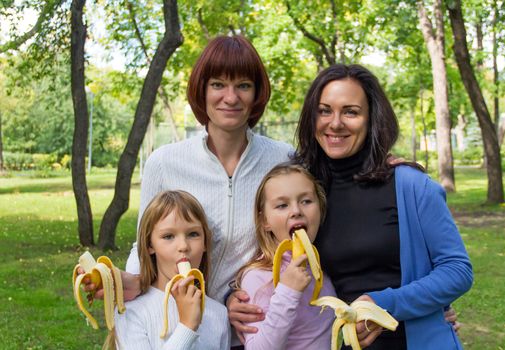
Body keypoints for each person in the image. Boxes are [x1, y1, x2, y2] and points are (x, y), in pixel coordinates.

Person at [228, 64, 472, 350]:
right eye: (324, 110)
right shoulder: (305, 190)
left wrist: (385, 304)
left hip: (413, 340)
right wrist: (235, 298)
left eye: (351, 112)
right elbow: (271, 258)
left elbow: (457, 270)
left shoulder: (409, 184)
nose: (335, 123)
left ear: (371, 119)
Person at [123, 34, 293, 306]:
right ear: (202, 90)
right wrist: (133, 279)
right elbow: (143, 244)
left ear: (257, 93)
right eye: (218, 84)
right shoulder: (164, 163)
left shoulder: (284, 159)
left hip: (254, 328)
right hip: (180, 323)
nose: (231, 97)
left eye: (244, 85)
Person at [234, 162, 336, 349]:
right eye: (282, 205)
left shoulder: (323, 266)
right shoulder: (258, 277)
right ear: (265, 220)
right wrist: (288, 290)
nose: (296, 211)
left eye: (306, 201)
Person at [111, 190, 230, 349]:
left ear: (205, 243)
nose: (183, 246)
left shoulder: (219, 314)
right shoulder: (131, 312)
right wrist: (187, 327)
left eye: (193, 234)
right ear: (149, 245)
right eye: (168, 236)